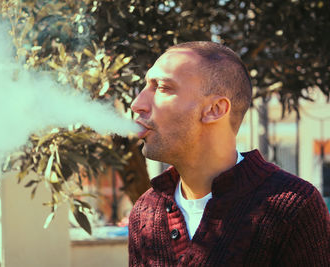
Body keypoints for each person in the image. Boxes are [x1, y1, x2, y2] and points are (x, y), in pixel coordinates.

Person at [128, 41, 330, 266]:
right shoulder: (146, 210)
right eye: (146, 86)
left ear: (215, 110)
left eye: (163, 87)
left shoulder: (294, 206)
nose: (137, 104)